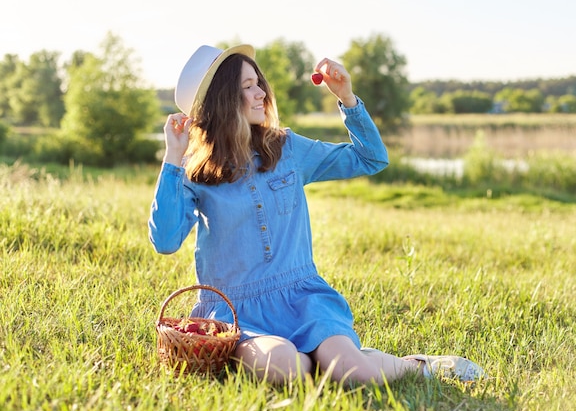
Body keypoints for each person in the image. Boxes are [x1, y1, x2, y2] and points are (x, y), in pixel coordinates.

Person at [149, 44, 486, 386]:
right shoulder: (195, 172)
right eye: (246, 86)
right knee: (284, 368)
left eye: (258, 82)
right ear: (221, 100)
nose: (260, 93)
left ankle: (418, 366)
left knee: (353, 373)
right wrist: (173, 159)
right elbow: (164, 241)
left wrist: (347, 98)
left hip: (302, 300)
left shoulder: (286, 148)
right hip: (237, 311)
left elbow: (370, 158)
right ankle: (319, 360)